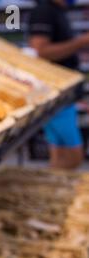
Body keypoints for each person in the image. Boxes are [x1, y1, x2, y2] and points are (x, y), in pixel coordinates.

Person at [28, 0, 89, 169]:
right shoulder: (44, 11)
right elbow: (41, 51)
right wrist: (82, 41)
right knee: (73, 155)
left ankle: (52, 190)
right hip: (57, 96)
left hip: (63, 97)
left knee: (60, 153)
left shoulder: (58, 10)